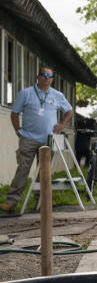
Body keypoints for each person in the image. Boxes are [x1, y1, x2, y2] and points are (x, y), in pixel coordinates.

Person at [1, 67, 73, 214]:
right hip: (28, 138)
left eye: (49, 76)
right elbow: (14, 113)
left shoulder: (57, 95)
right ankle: (11, 201)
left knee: (45, 171)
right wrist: (18, 131)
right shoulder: (25, 93)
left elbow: (69, 110)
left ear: (52, 79)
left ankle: (42, 200)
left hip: (48, 139)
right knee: (23, 169)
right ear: (37, 76)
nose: (46, 78)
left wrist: (62, 124)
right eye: (44, 75)